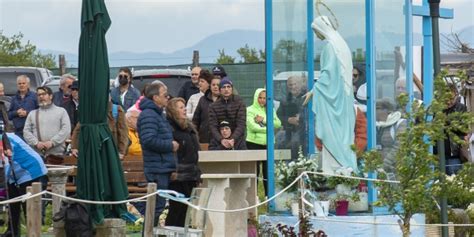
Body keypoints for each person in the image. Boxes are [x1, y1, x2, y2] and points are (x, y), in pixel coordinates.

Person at [303, 16, 357, 172]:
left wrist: (314, 91)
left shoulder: (330, 47)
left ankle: (338, 174)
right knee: (344, 137)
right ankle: (345, 172)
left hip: (335, 102)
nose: (316, 35)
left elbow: (328, 75)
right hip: (343, 100)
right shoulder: (341, 45)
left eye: (316, 31)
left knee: (333, 135)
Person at [137, 83, 179, 225]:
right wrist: (170, 145)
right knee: (155, 208)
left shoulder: (158, 114)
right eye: (164, 95)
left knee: (158, 207)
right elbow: (148, 140)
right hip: (156, 168)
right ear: (155, 97)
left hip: (162, 166)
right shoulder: (149, 115)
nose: (168, 97)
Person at [1, 132, 47, 237]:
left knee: (28, 204)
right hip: (16, 173)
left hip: (31, 169)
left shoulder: (7, 140)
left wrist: (2, 184)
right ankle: (12, 232)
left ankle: (33, 232)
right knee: (13, 202)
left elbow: (7, 164)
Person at [164, 97, 201, 227]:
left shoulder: (189, 127)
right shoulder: (170, 128)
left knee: (186, 209)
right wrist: (174, 170)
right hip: (178, 175)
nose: (184, 109)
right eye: (181, 107)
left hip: (191, 173)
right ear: (173, 111)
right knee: (176, 209)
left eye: (184, 107)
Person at [246, 88, 281, 196]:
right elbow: (252, 127)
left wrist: (264, 121)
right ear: (256, 98)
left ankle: (268, 196)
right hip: (253, 143)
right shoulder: (249, 110)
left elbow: (278, 124)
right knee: (254, 171)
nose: (262, 100)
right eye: (260, 98)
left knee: (267, 172)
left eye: (265, 98)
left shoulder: (270, 109)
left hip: (268, 144)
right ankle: (254, 196)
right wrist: (269, 129)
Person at [23, 86, 71, 164]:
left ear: (51, 96)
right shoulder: (32, 114)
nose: (41, 97)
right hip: (38, 155)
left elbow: (66, 130)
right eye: (38, 95)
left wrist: (52, 142)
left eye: (44, 94)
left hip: (56, 155)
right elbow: (26, 132)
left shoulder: (61, 112)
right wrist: (36, 143)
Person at [208, 78, 247, 150]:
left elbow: (241, 124)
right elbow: (213, 126)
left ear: (232, 89)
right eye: (224, 87)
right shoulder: (213, 106)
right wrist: (221, 140)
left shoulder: (240, 103)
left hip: (238, 142)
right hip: (219, 143)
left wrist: (232, 139)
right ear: (220, 90)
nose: (226, 89)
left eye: (228, 87)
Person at [276, 75, 307, 160]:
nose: (293, 87)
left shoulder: (307, 97)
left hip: (305, 134)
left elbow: (314, 114)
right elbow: (278, 116)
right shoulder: (285, 100)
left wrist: (301, 118)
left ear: (300, 84)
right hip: (289, 133)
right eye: (290, 85)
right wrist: (288, 120)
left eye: (295, 84)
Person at [192, 76, 221, 144]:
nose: (215, 87)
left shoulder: (225, 101)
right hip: (204, 139)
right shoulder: (202, 100)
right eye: (213, 85)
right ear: (210, 86)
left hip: (221, 140)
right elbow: (195, 121)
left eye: (218, 85)